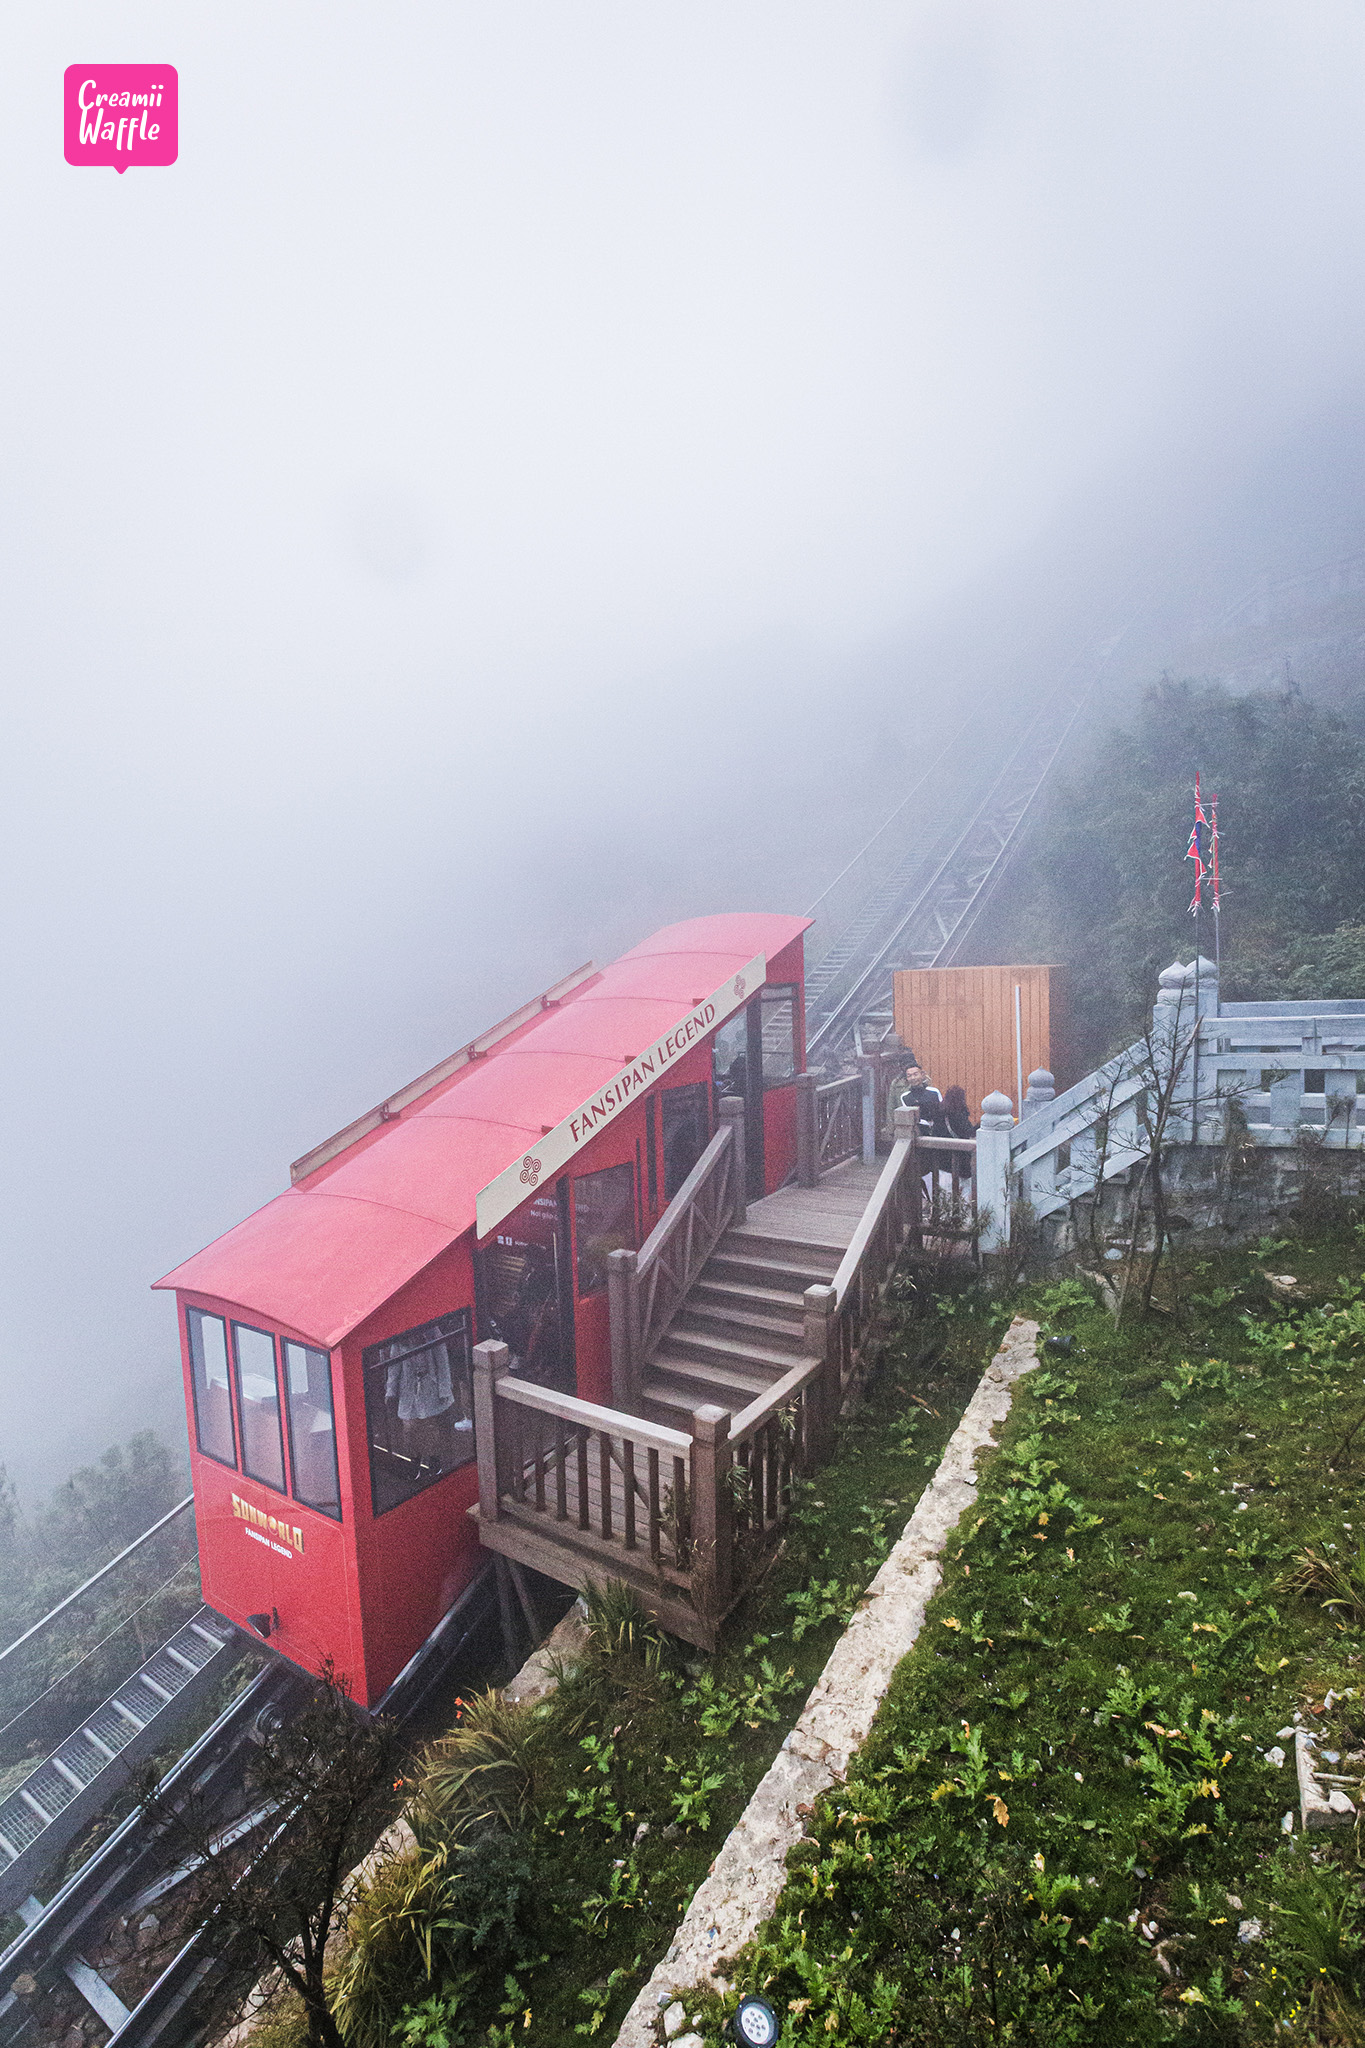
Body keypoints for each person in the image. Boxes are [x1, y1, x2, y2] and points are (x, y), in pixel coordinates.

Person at [893, 1060, 947, 1137]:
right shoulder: (905, 1097)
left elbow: (943, 1112)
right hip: (918, 1134)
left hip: (938, 1132)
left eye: (915, 1074)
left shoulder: (934, 1092)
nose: (913, 1078)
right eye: (909, 1075)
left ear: (922, 1075)